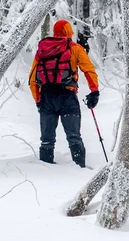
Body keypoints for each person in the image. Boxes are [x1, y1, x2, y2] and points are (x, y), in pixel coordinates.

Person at [28, 19, 100, 167]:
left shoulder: (43, 50)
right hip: (67, 97)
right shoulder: (74, 48)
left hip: (47, 97)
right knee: (74, 136)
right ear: (68, 31)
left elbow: (32, 79)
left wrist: (38, 100)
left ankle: (45, 169)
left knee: (46, 140)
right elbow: (89, 69)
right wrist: (94, 91)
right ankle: (79, 168)